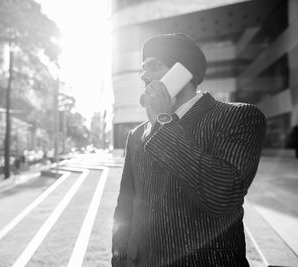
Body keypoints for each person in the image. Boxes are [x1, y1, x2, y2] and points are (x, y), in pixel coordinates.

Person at [111, 33, 267, 266]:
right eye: (142, 68)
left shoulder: (239, 117)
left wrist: (163, 123)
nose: (143, 76)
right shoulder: (136, 136)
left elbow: (221, 196)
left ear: (183, 72)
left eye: (154, 66)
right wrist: (120, 260)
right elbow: (125, 208)